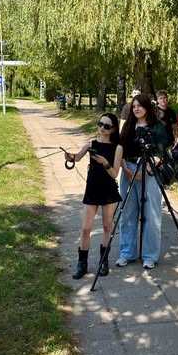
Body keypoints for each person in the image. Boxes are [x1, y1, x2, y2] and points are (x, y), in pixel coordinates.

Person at [63, 113, 123, 279]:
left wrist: (104, 162)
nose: (102, 128)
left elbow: (115, 173)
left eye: (106, 126)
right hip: (92, 189)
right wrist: (70, 157)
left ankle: (104, 261)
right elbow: (77, 157)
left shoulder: (117, 148)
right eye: (100, 124)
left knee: (107, 227)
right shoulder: (91, 144)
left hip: (109, 190)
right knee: (85, 228)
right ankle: (82, 263)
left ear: (113, 129)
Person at [116, 93, 167, 269]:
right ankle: (127, 253)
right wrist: (125, 169)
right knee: (127, 213)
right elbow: (120, 149)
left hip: (149, 170)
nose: (136, 108)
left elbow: (160, 153)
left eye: (140, 105)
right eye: (134, 106)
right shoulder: (128, 126)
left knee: (151, 215)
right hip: (128, 169)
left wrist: (144, 171)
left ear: (147, 107)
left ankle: (149, 255)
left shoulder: (157, 127)